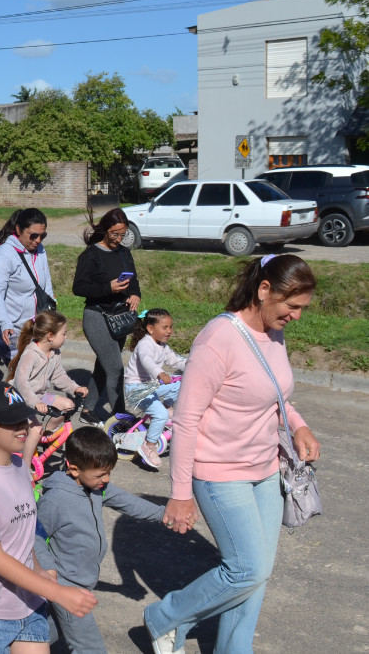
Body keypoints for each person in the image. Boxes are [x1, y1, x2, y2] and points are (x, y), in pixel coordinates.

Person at [144, 254, 321, 654]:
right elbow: (186, 420)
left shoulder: (274, 332)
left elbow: (274, 393)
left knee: (256, 577)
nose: (295, 316)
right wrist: (180, 492)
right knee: (246, 569)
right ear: (264, 291)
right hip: (219, 471)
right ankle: (165, 616)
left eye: (301, 309)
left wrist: (298, 424)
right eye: (291, 306)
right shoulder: (218, 338)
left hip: (265, 466)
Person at [0, 380, 97, 654]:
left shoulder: (18, 466)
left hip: (28, 604)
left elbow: (23, 532)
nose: (25, 426)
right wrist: (58, 592)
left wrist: (39, 571)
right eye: (12, 422)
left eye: (24, 418)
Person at [34, 427, 165, 654]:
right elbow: (35, 536)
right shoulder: (56, 500)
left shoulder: (96, 488)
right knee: (89, 647)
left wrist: (166, 515)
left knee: (44, 634)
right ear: (74, 469)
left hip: (82, 582)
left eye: (109, 473)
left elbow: (129, 503)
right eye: (100, 475)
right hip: (66, 585)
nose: (106, 479)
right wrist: (47, 570)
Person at [73, 208, 141, 415]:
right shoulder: (91, 255)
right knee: (115, 368)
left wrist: (135, 294)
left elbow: (134, 280)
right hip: (97, 316)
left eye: (123, 234)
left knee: (104, 366)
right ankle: (121, 417)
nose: (119, 239)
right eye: (115, 234)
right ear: (105, 230)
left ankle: (88, 410)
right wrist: (107, 288)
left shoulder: (124, 253)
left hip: (119, 318)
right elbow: (78, 288)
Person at [7, 310, 89, 467]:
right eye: (63, 334)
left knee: (68, 406)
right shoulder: (31, 353)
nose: (66, 338)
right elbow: (21, 382)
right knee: (35, 428)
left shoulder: (54, 353)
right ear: (50, 336)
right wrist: (35, 402)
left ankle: (47, 436)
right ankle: (24, 467)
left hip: (40, 396)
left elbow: (59, 376)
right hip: (22, 398)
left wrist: (75, 388)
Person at [0, 208, 54, 364]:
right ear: (18, 229)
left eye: (42, 236)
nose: (37, 240)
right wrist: (5, 323)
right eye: (33, 235)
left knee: (36, 373)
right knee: (23, 377)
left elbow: (46, 285)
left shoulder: (40, 250)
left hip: (35, 324)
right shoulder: (4, 254)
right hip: (12, 327)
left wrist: (50, 316)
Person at [124, 308, 187, 470]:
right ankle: (149, 445)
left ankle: (166, 408)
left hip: (151, 387)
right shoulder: (145, 344)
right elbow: (147, 361)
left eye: (170, 327)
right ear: (151, 329)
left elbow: (174, 360)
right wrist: (159, 373)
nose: (169, 331)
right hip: (136, 388)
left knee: (181, 383)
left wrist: (193, 364)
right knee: (160, 414)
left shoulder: (162, 346)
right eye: (165, 327)